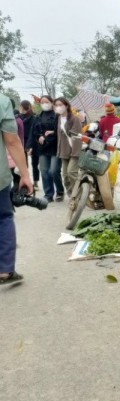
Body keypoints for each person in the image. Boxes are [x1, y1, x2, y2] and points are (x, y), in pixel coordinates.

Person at [0, 93, 33, 288]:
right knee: (3, 218)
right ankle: (4, 270)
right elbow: (12, 141)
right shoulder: (2, 102)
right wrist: (25, 175)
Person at [31, 95, 64, 203]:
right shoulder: (38, 117)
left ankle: (60, 192)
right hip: (42, 148)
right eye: (42, 102)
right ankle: (48, 194)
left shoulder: (58, 116)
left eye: (47, 102)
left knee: (53, 171)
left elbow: (61, 131)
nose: (44, 104)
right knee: (44, 171)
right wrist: (38, 137)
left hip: (55, 146)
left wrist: (49, 135)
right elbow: (34, 132)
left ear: (51, 102)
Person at [54, 97, 83, 199]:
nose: (58, 107)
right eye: (56, 105)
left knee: (71, 172)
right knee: (65, 176)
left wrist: (75, 153)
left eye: (60, 105)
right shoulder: (58, 119)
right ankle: (71, 194)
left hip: (74, 151)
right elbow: (60, 136)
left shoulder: (74, 119)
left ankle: (79, 194)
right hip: (63, 151)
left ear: (66, 106)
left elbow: (78, 137)